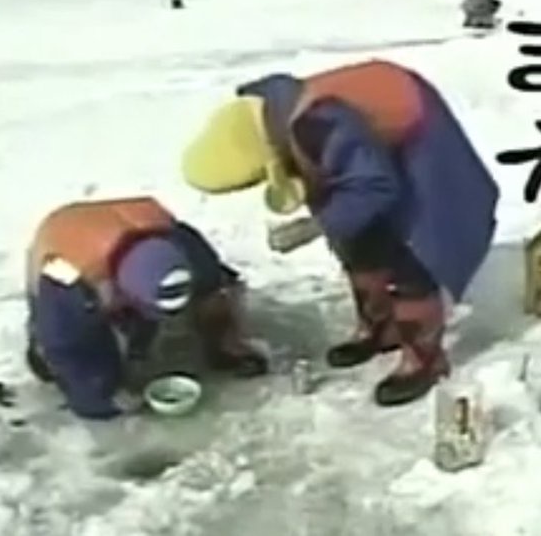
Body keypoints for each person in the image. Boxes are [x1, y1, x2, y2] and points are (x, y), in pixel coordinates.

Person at [180, 59, 499, 407]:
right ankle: (380, 327)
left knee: (414, 253)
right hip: (363, 148)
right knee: (355, 238)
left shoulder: (322, 123)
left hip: (419, 143)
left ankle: (424, 359)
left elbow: (375, 185)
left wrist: (315, 226)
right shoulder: (265, 114)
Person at [24, 196, 268, 420]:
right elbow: (65, 343)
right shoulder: (65, 276)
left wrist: (228, 341)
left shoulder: (187, 247)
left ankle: (146, 342)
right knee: (64, 355)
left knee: (196, 307)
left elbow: (216, 290)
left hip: (124, 241)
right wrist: (101, 398)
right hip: (61, 243)